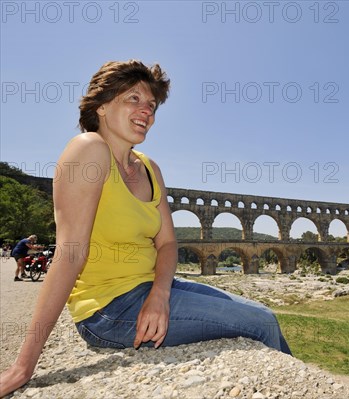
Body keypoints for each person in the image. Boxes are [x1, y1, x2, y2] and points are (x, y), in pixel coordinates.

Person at [0, 60, 291, 397]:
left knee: (264, 314)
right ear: (103, 105)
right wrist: (23, 366)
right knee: (260, 324)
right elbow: (70, 253)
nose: (147, 111)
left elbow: (167, 244)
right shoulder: (88, 150)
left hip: (153, 287)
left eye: (152, 105)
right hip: (109, 309)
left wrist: (160, 295)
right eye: (133, 99)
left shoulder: (150, 167)